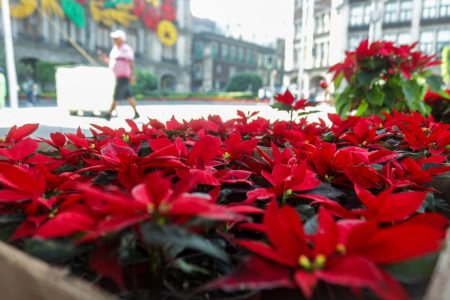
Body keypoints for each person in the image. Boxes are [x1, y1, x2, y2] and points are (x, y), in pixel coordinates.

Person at [99, 29, 140, 120]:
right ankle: (136, 113)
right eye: (113, 38)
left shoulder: (126, 48)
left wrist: (132, 75)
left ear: (122, 39)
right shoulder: (114, 49)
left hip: (124, 76)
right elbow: (112, 61)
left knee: (116, 95)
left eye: (116, 38)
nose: (114, 40)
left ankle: (108, 114)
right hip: (117, 76)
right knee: (129, 96)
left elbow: (131, 62)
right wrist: (105, 59)